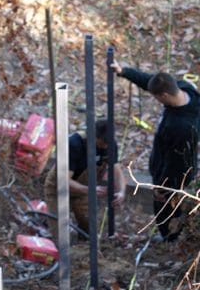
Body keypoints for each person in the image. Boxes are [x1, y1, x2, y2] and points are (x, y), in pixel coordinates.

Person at [111, 60, 200, 242]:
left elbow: (175, 165)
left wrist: (163, 188)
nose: (156, 100)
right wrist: (124, 71)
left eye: (157, 97)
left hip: (177, 178)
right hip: (172, 165)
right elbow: (152, 81)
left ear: (165, 95)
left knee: (166, 212)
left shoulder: (180, 127)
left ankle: (171, 241)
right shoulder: (186, 89)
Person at [44, 118, 126, 242]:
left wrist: (122, 192)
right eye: (102, 143)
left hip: (84, 190)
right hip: (58, 188)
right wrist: (91, 190)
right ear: (93, 136)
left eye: (107, 144)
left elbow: (117, 170)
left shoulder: (110, 144)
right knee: (59, 231)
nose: (105, 147)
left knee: (89, 226)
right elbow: (64, 181)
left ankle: (83, 249)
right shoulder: (73, 144)